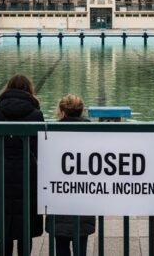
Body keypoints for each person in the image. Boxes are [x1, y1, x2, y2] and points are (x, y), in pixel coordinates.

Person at [0, 74, 45, 255]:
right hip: (27, 171)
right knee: (25, 221)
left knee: (4, 222)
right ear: (29, 90)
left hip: (2, 170)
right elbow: (38, 145)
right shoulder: (36, 114)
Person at [46, 94, 96, 256]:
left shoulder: (52, 132)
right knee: (81, 240)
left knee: (60, 243)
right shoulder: (92, 131)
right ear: (81, 111)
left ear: (62, 112)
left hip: (59, 195)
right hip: (84, 195)